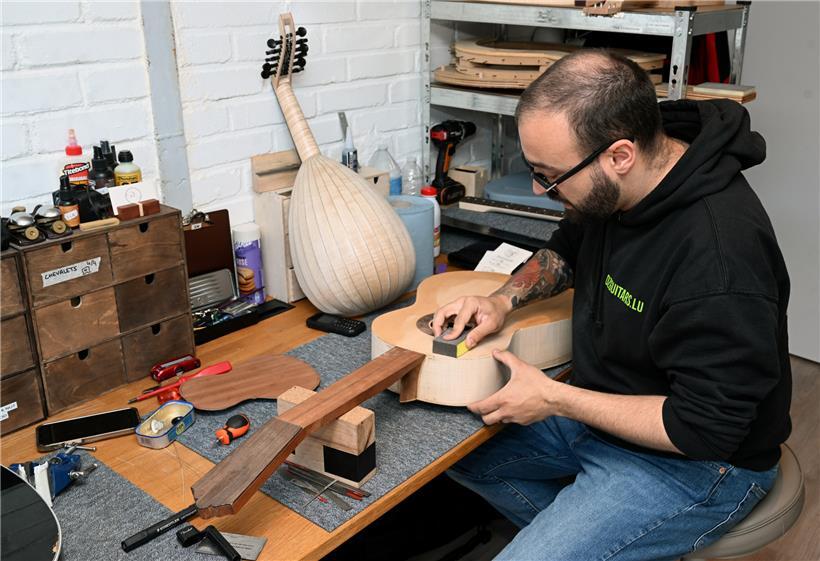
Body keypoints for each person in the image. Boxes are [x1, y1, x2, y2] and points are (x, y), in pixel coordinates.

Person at [432, 50, 791, 561]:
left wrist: (556, 399)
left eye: (549, 175)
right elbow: (568, 248)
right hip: (601, 411)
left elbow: (705, 428)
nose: (538, 188)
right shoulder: (617, 182)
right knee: (447, 451)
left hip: (698, 463)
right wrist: (501, 300)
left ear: (620, 156)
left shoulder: (720, 255)